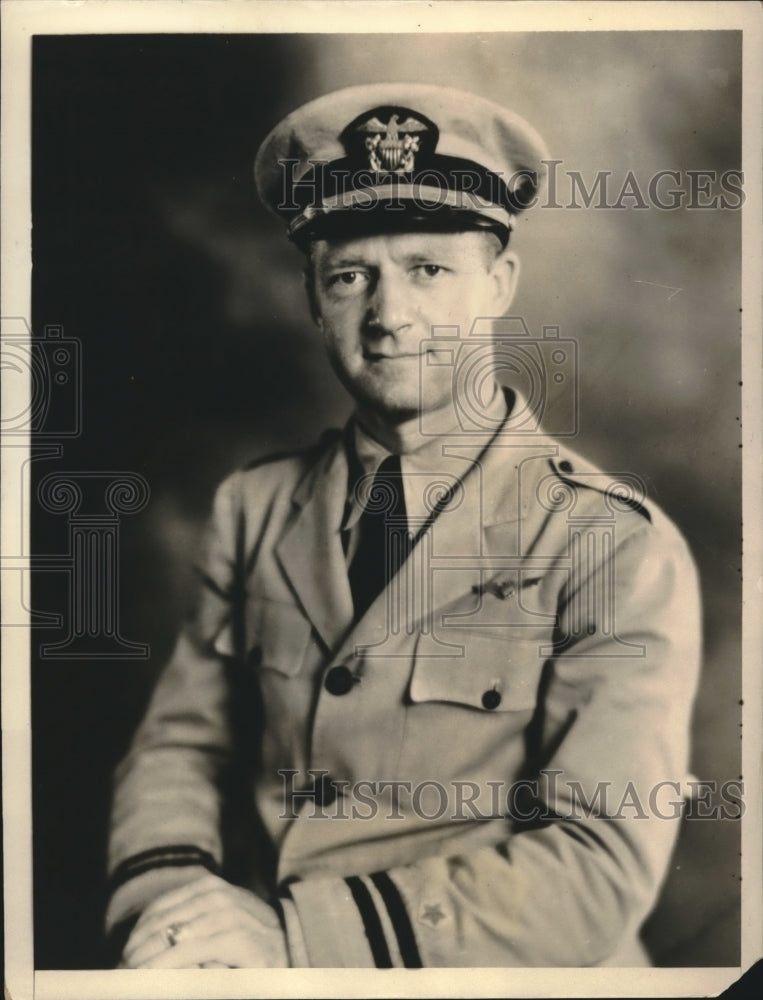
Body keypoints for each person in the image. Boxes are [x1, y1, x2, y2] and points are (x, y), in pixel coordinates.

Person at [105, 83, 702, 969]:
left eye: (428, 269)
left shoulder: (608, 542)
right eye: (351, 277)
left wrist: (295, 938)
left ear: (498, 284)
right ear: (314, 299)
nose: (389, 318)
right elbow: (179, 748)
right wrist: (173, 910)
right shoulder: (255, 508)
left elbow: (599, 866)